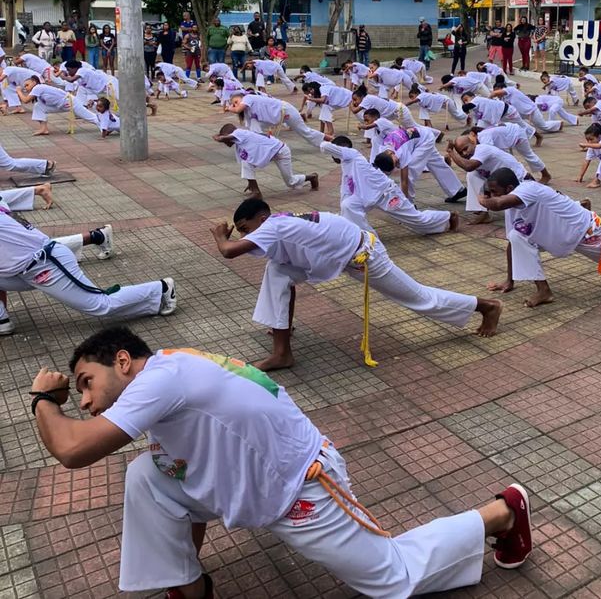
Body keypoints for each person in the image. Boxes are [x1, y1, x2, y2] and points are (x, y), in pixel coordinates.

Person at [27, 325, 533, 598]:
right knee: (147, 476)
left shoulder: (161, 378)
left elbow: (73, 450)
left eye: (86, 382)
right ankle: (189, 587)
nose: (86, 401)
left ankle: (502, 512)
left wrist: (44, 399)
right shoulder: (168, 368)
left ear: (121, 361)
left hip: (301, 488)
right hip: (250, 479)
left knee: (392, 578)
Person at [212, 198, 502, 370]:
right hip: (337, 256)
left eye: (247, 229)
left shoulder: (275, 224)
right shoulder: (276, 222)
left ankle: (486, 306)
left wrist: (220, 235)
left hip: (366, 256)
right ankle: (281, 351)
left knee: (419, 298)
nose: (245, 235)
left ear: (261, 218)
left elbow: (228, 251)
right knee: (277, 272)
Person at [483, 167, 601, 307]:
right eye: (489, 193)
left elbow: (496, 204)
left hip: (585, 232)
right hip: (554, 235)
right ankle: (544, 291)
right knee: (516, 236)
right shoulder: (511, 207)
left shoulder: (528, 189)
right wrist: (509, 280)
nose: (491, 196)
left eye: (494, 191)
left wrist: (482, 198)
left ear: (509, 188)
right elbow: (513, 245)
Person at [0, 206, 176, 334]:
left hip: (46, 264)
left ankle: (161, 289)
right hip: (24, 269)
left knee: (101, 306)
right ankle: (2, 321)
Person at [321, 135, 459, 236]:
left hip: (387, 194)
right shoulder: (347, 164)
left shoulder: (353, 154)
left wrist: (327, 138)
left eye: (335, 153)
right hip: (366, 197)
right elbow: (345, 192)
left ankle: (448, 217)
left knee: (417, 221)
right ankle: (367, 238)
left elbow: (324, 146)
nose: (333, 157)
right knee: (348, 205)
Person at [445, 130, 529, 225]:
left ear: (473, 143)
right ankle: (481, 211)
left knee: (521, 212)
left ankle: (486, 205)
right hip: (499, 180)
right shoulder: (472, 155)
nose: (464, 153)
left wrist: (451, 152)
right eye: (460, 152)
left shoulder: (483, 149)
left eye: (465, 148)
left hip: (519, 179)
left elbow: (468, 166)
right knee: (472, 175)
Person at [214, 124, 318, 199]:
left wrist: (220, 138)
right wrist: (251, 181)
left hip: (280, 151)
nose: (225, 143)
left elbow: (227, 137)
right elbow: (247, 164)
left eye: (226, 140)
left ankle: (313, 177)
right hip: (270, 153)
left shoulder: (240, 133)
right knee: (246, 163)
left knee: (291, 182)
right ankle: (256, 191)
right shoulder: (239, 143)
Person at [372, 124, 467, 204]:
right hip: (421, 137)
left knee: (410, 170)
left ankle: (410, 202)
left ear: (391, 153)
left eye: (396, 162)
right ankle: (458, 190)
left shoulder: (401, 151)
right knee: (436, 163)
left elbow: (405, 180)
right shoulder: (382, 150)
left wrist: (406, 203)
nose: (398, 163)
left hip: (425, 139)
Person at [230, 92, 325, 148]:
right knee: (254, 127)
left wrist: (229, 108)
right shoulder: (248, 109)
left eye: (236, 101)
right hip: (277, 116)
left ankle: (330, 140)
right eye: (234, 104)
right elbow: (242, 114)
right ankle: (261, 145)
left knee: (305, 132)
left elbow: (237, 109)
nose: (236, 104)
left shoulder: (247, 98)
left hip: (286, 111)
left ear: (241, 97)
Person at [18, 77, 101, 135]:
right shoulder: (38, 91)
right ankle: (44, 129)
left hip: (71, 102)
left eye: (27, 85)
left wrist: (18, 91)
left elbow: (25, 100)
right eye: (25, 86)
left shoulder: (38, 87)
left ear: (34, 82)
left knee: (90, 117)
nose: (26, 88)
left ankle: (107, 125)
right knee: (38, 106)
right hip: (60, 105)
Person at [477, 123, 551, 183]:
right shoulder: (483, 134)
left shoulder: (483, 136)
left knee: (529, 155)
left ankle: (546, 175)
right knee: (508, 160)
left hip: (517, 135)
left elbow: (490, 151)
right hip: (510, 134)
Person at [491, 79, 562, 134]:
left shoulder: (510, 90)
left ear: (502, 88)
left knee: (543, 126)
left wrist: (489, 97)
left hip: (531, 111)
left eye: (497, 91)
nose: (497, 94)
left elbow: (494, 93)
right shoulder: (502, 98)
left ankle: (558, 124)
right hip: (520, 114)